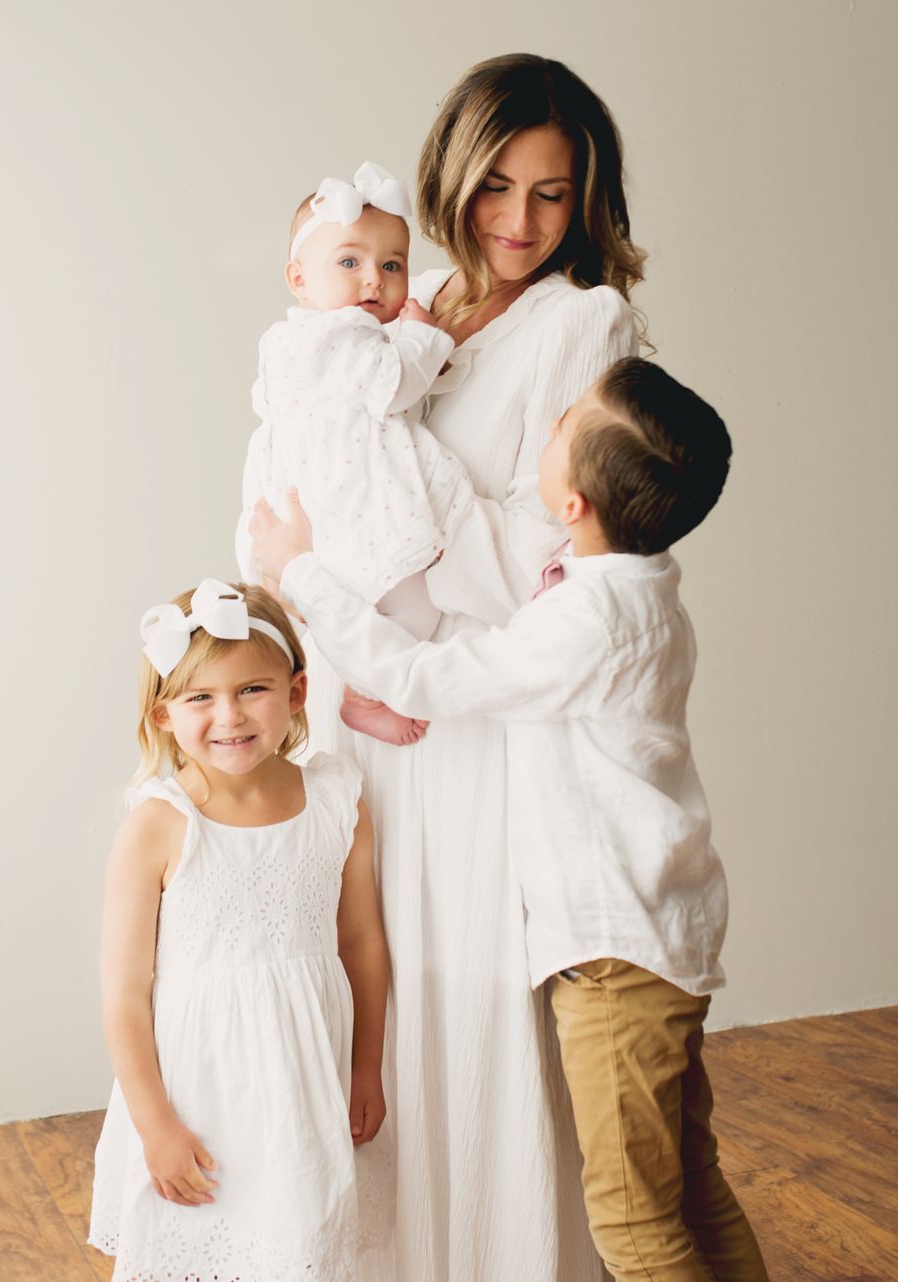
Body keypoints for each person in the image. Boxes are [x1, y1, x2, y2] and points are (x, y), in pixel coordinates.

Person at [236, 53, 649, 1281]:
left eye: (553, 195)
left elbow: (544, 549)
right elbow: (298, 475)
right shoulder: (395, 307)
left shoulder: (585, 321)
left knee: (461, 1008)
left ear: (588, 205)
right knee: (368, 1004)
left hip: (466, 714)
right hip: (361, 705)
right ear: (450, 180)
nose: (518, 223)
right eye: (496, 188)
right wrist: (313, 619)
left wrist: (371, 564)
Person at [250, 356, 769, 1281]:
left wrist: (305, 574)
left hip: (615, 957)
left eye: (564, 420)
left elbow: (429, 680)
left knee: (635, 1223)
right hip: (666, 936)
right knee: (691, 1180)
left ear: (572, 501)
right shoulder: (635, 586)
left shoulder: (588, 624)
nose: (548, 424)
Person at [87, 580, 393, 1281]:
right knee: (204, 1236)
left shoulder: (335, 799)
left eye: (252, 689)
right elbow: (124, 995)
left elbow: (362, 943)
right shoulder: (159, 825)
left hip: (305, 1075)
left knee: (299, 1239)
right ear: (164, 715)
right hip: (202, 1086)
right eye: (201, 698)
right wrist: (155, 1125)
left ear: (295, 693)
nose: (229, 716)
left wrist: (367, 1064)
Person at [240, 162, 474, 748]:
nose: (375, 279)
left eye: (392, 265)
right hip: (346, 501)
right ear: (299, 279)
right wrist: (423, 335)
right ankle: (366, 692)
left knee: (392, 602)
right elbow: (394, 384)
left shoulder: (311, 339)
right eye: (349, 262)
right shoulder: (331, 336)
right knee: (412, 598)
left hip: (334, 496)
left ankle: (360, 689)